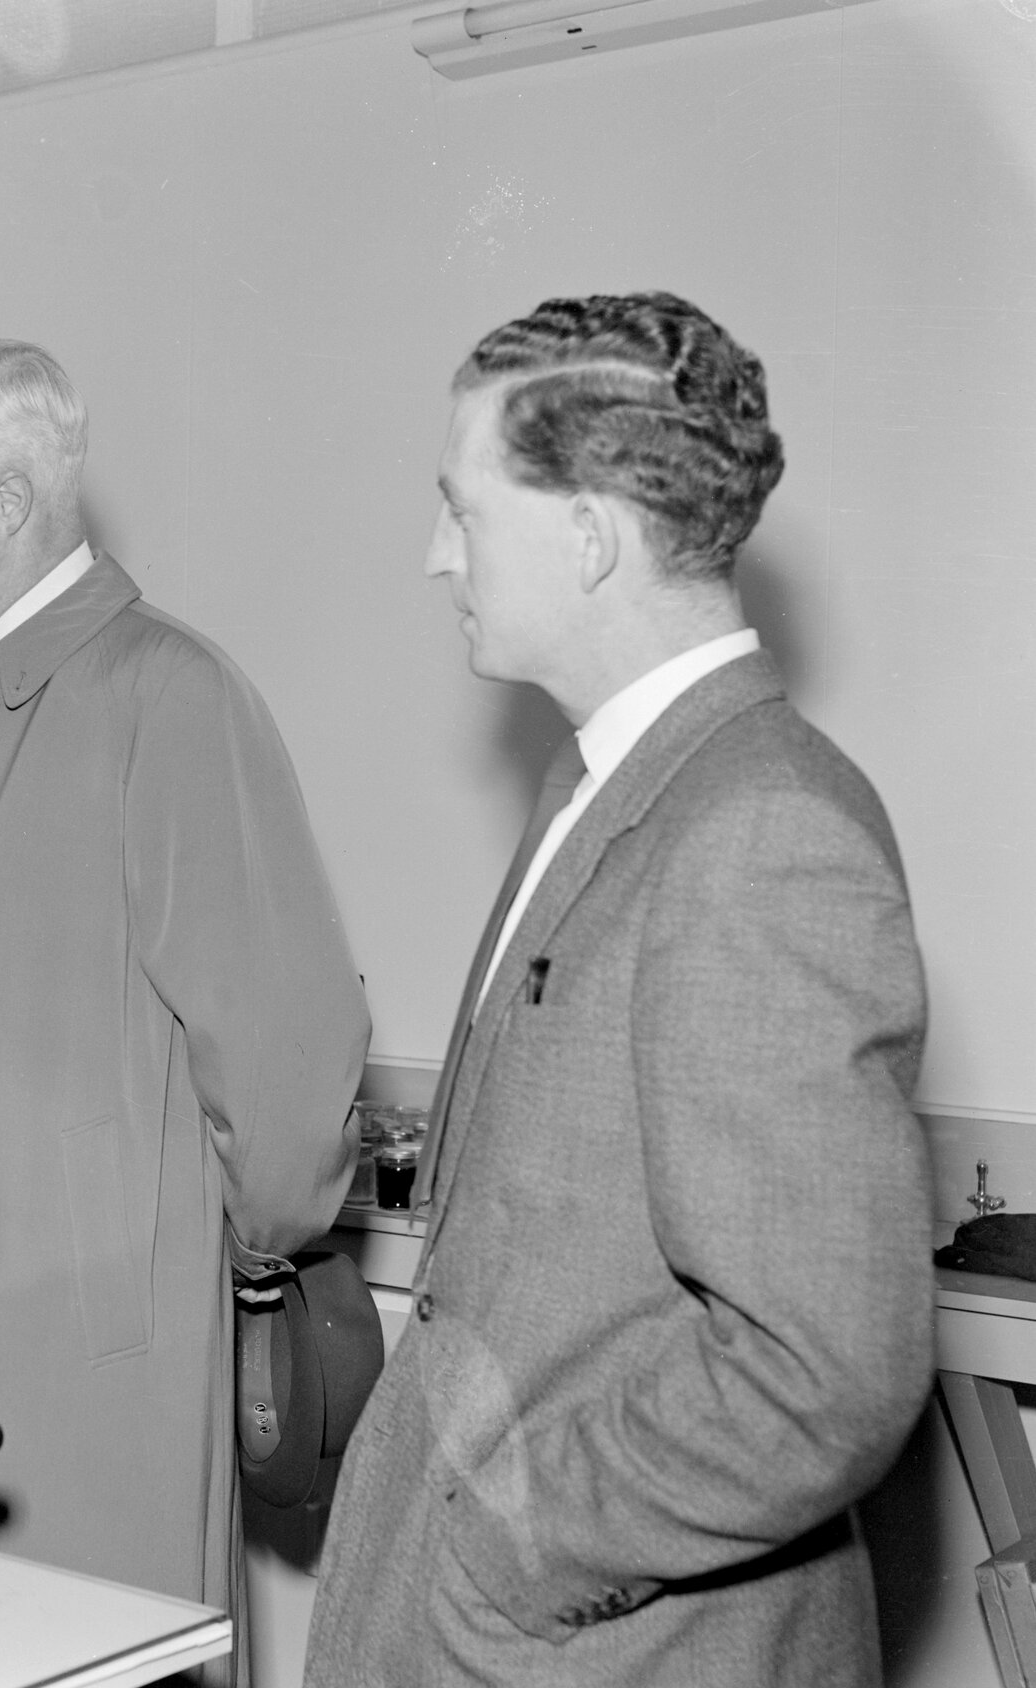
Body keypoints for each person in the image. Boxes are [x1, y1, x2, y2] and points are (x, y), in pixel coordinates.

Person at [306, 294, 931, 1685]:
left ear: (585, 536)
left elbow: (820, 1371)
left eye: (461, 513)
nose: (432, 556)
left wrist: (509, 1543)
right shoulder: (605, 786)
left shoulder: (759, 832)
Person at [0, 339, 370, 1652]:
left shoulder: (168, 696)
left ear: (6, 500)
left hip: (67, 1376)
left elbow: (286, 1069)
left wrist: (240, 1263)